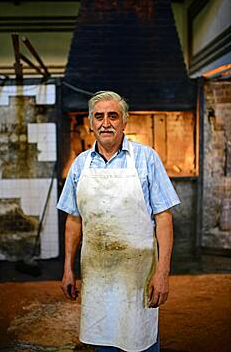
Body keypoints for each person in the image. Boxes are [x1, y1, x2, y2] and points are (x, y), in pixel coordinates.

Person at [57, 91, 180, 352]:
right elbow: (73, 220)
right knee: (103, 338)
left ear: (125, 121)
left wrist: (162, 273)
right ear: (90, 123)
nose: (106, 123)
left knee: (140, 340)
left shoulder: (147, 159)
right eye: (99, 117)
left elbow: (164, 218)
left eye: (113, 116)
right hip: (97, 275)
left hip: (137, 276)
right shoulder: (80, 165)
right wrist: (68, 268)